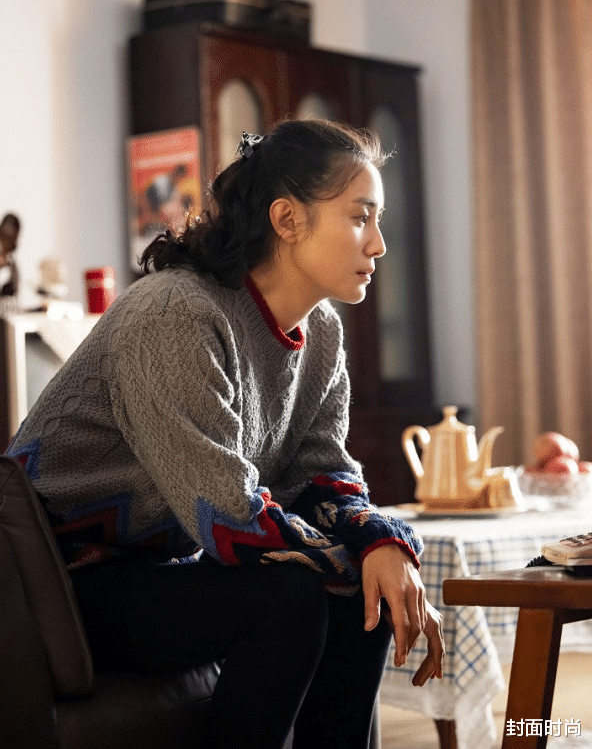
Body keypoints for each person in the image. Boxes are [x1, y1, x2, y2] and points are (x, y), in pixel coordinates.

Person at [7, 119, 444, 749]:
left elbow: (324, 477)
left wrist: (381, 545)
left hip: (155, 575)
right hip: (55, 591)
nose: (378, 244)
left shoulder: (320, 336)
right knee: (292, 595)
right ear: (287, 220)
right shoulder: (175, 314)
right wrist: (360, 555)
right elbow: (228, 516)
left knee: (360, 591)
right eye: (359, 218)